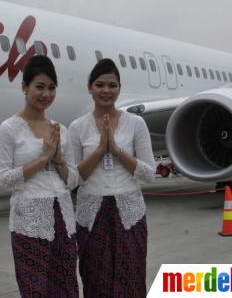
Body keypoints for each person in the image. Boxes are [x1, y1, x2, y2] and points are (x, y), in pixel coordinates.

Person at [0, 55, 79, 298]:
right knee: (35, 291)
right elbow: (0, 180)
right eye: (39, 87)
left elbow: (72, 180)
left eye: (51, 88)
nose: (46, 94)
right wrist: (42, 159)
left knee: (67, 288)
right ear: (24, 87)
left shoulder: (60, 129)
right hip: (29, 222)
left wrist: (58, 157)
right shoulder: (9, 129)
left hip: (63, 220)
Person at [68, 58, 155, 298]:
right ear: (89, 87)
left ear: (119, 88)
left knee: (131, 280)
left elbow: (149, 173)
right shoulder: (77, 127)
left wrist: (116, 149)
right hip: (91, 216)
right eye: (99, 84)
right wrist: (99, 150)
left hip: (129, 215)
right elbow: (72, 179)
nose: (106, 90)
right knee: (95, 281)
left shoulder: (135, 123)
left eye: (112, 85)